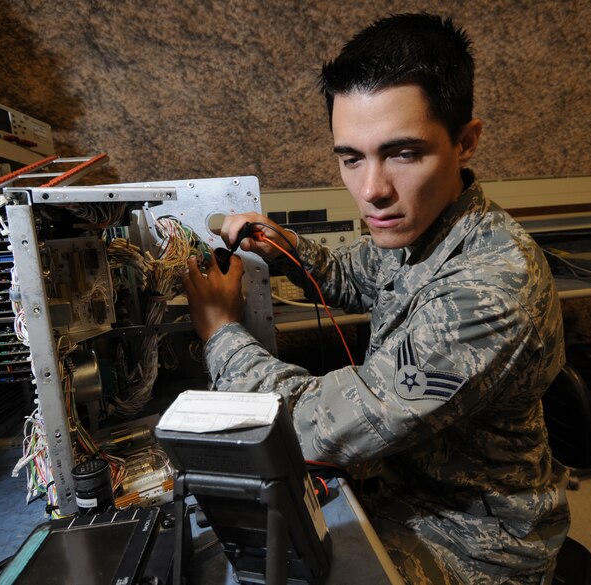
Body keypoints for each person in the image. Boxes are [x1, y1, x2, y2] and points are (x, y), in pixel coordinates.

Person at [182, 12, 569, 585]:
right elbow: (352, 274)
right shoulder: (424, 226)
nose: (372, 191)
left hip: (475, 545)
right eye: (351, 157)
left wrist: (221, 334)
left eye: (404, 153)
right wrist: (280, 244)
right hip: (403, 493)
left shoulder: (490, 288)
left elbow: (316, 427)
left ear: (465, 142)